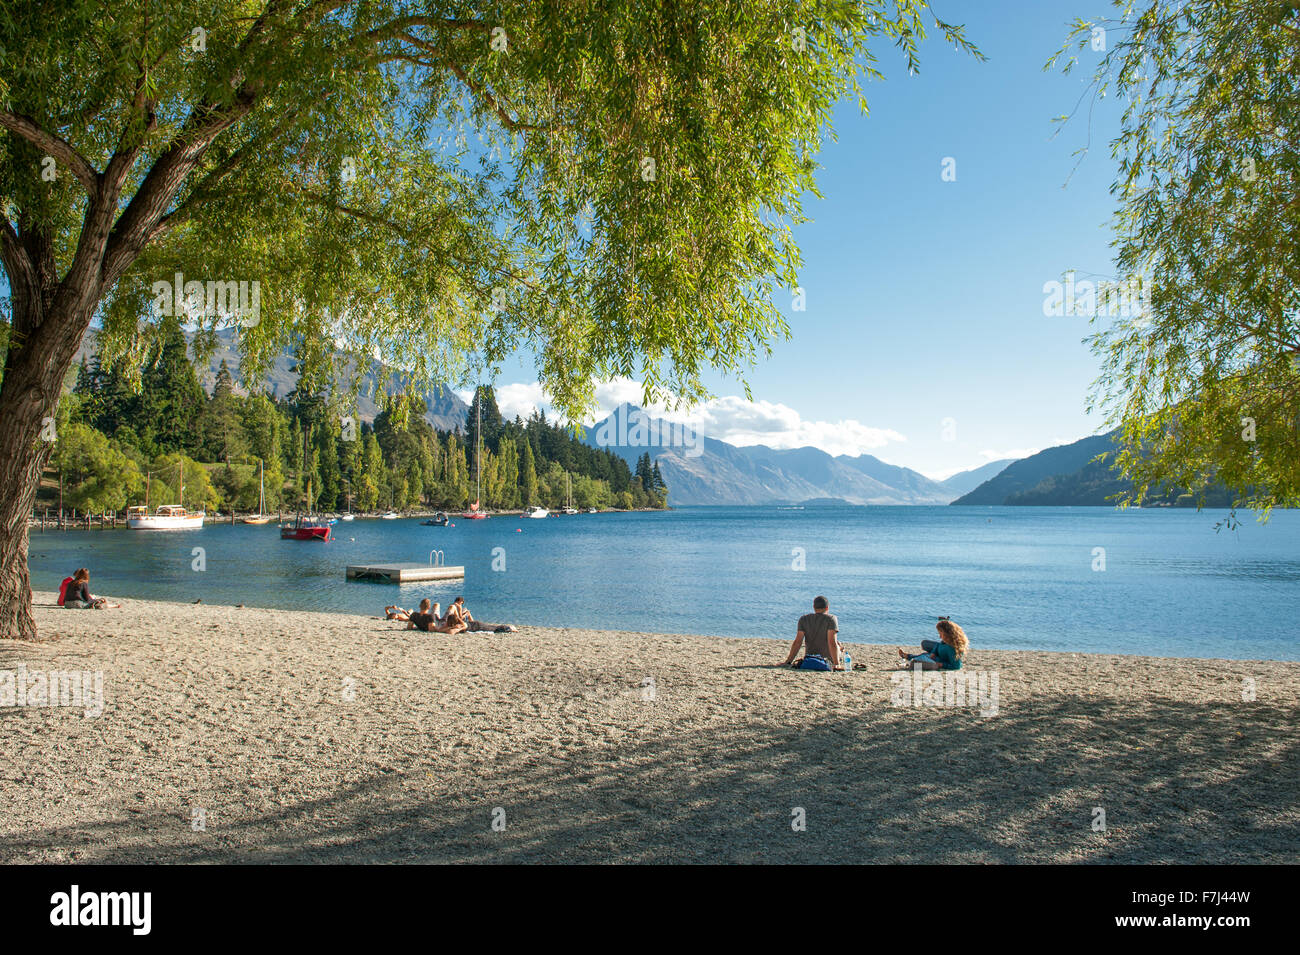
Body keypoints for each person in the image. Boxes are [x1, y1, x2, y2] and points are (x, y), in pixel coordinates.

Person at [780, 595, 844, 670]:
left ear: (814, 607)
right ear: (827, 607)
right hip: (827, 659)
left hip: (810, 657)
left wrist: (788, 661)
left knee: (838, 644)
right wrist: (837, 664)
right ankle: (838, 659)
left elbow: (798, 642)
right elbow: (832, 642)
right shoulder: (831, 619)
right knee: (839, 645)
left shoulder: (804, 619)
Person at [899, 618, 968, 670]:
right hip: (936, 658)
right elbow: (938, 645)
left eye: (941, 634)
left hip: (937, 662)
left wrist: (941, 665)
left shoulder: (952, 648)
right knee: (924, 650)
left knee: (917, 662)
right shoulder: (945, 641)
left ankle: (909, 660)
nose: (939, 636)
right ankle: (909, 658)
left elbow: (956, 666)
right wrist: (934, 652)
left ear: (947, 634)